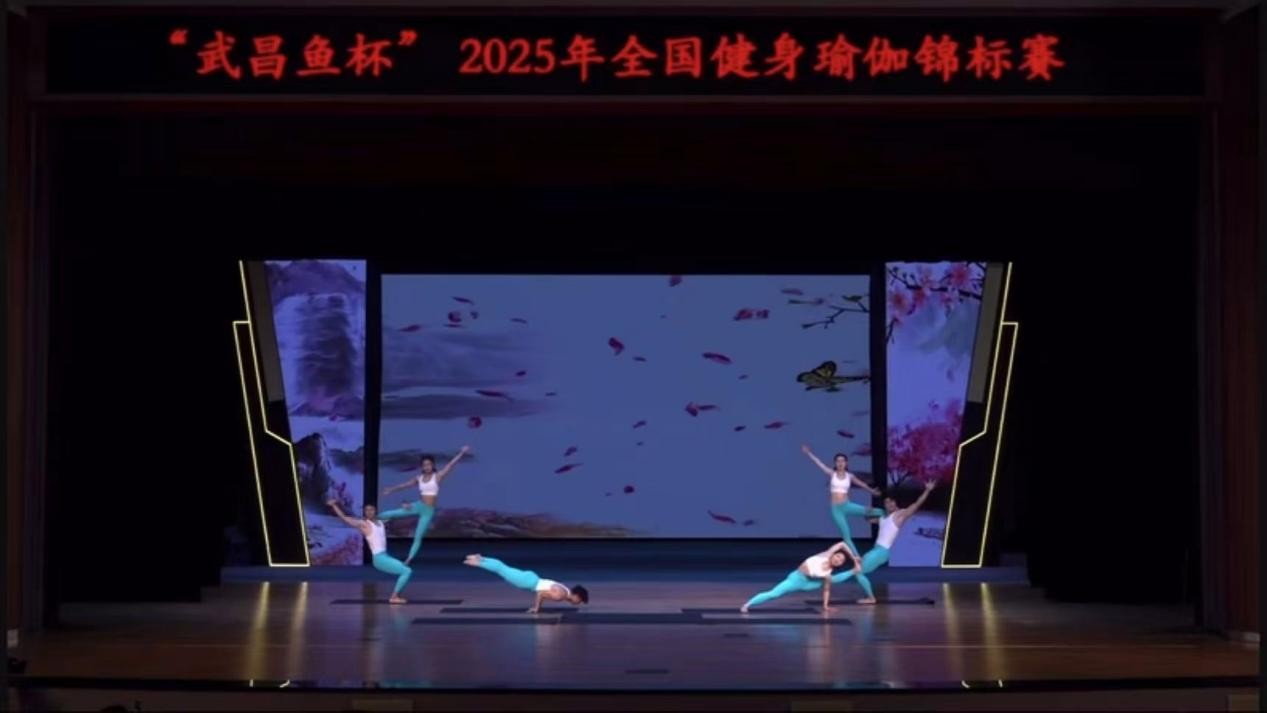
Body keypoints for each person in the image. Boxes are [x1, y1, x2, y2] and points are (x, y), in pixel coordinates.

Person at [824, 479, 937, 604]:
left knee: (857, 570)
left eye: (891, 502)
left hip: (882, 552)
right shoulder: (883, 517)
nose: (889, 504)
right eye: (886, 503)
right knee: (858, 572)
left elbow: (916, 505)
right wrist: (866, 511)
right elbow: (868, 519)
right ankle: (869, 597)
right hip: (876, 550)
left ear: (895, 503)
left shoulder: (899, 515)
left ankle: (834, 581)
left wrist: (927, 490)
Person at [381, 446, 470, 564]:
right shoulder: (419, 478)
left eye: (429, 464)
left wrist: (462, 453)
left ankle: (408, 559)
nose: (426, 467)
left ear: (432, 465)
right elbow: (405, 485)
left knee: (418, 536)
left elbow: (451, 465)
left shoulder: (437, 476)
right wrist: (391, 490)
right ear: (422, 467)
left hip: (427, 511)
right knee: (394, 513)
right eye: (424, 465)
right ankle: (373, 520)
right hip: (418, 505)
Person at [802, 445, 884, 561]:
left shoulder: (850, 476)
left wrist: (872, 491)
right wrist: (809, 453)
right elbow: (819, 464)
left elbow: (862, 484)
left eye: (842, 461)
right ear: (835, 463)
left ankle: (891, 516)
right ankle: (857, 558)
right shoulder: (832, 474)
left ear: (846, 463)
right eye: (838, 461)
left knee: (874, 511)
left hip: (847, 505)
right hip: (836, 509)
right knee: (846, 536)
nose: (840, 463)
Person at [327, 499, 415, 604]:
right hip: (379, 559)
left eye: (371, 509)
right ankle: (394, 597)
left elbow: (395, 515)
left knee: (405, 570)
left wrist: (405, 508)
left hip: (385, 556)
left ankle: (395, 596)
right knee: (407, 571)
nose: (369, 512)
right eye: (367, 510)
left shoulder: (381, 522)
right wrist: (334, 505)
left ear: (375, 510)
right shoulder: (364, 524)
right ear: (364, 512)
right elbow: (345, 518)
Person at [740, 542, 860, 613]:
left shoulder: (827, 573)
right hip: (796, 579)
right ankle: (747, 605)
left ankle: (853, 571)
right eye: (838, 556)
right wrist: (853, 557)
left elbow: (826, 590)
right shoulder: (826, 554)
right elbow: (842, 544)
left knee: (831, 579)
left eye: (841, 561)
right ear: (833, 555)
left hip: (808, 584)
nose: (838, 560)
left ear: (840, 564)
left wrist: (825, 606)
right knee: (774, 594)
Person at [463, 554, 589, 613]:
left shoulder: (564, 588)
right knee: (501, 569)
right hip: (528, 582)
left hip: (533, 577)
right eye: (580, 600)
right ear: (577, 596)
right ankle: (478, 563)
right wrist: (537, 608)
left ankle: (482, 558)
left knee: (503, 568)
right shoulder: (560, 596)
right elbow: (541, 594)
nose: (579, 603)